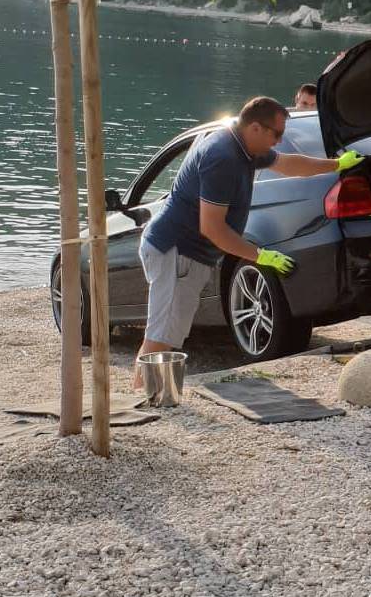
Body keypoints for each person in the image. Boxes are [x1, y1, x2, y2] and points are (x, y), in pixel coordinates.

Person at [134, 95, 359, 383]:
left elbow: (289, 164)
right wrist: (260, 256)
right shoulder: (222, 157)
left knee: (169, 332)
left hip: (189, 253)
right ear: (255, 127)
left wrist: (336, 165)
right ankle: (149, 398)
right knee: (161, 334)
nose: (278, 141)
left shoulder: (245, 148)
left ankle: (151, 394)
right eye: (275, 134)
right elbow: (212, 229)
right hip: (175, 250)